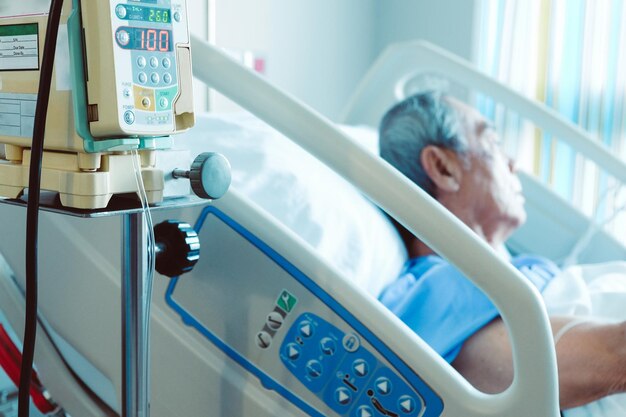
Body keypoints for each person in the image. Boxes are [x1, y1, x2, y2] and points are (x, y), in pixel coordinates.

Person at [377, 91, 626, 411]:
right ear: (443, 168)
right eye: (492, 141)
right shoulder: (440, 290)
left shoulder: (508, 275)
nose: (514, 164)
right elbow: (610, 359)